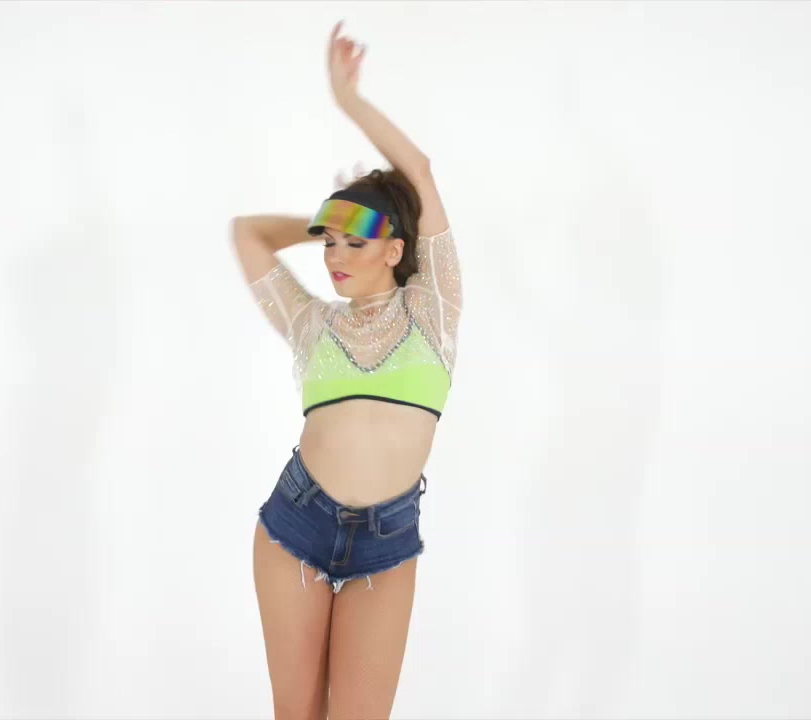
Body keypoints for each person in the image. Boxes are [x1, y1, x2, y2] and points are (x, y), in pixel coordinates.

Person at [230, 21, 463, 720]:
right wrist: (329, 220)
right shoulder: (311, 323)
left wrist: (348, 100)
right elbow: (247, 233)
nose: (334, 255)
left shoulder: (433, 311)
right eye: (329, 242)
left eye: (353, 242)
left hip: (387, 540)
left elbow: (421, 173)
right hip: (295, 526)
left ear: (395, 250)